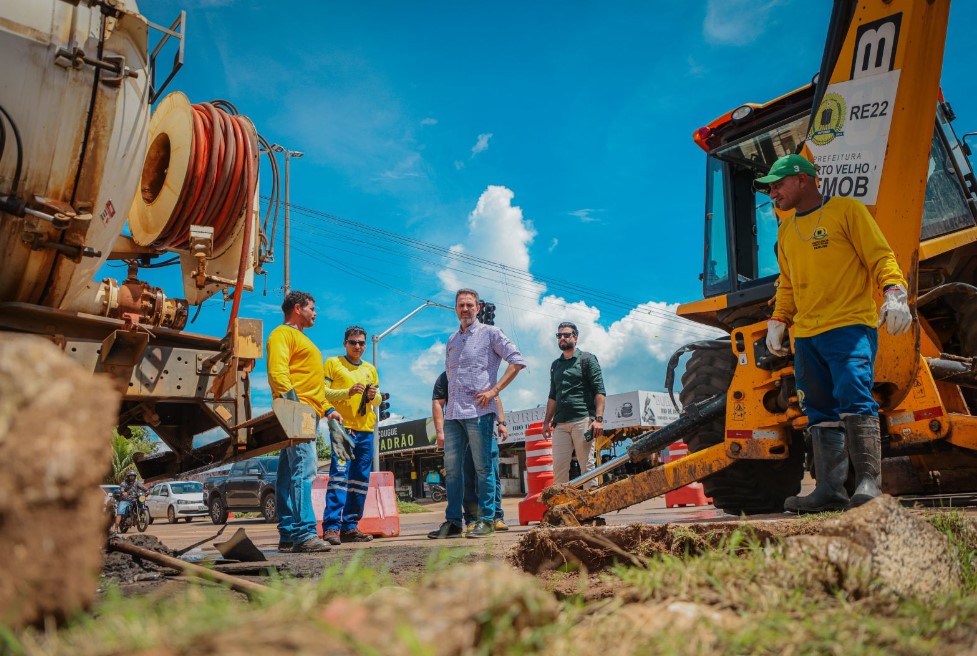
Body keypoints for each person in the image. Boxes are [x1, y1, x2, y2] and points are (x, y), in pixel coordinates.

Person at [758, 153, 912, 513]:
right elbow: (788, 283)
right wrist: (779, 319)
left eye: (778, 184)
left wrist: (893, 291)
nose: (773, 192)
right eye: (770, 187)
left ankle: (868, 483)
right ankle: (829, 489)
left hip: (849, 326)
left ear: (803, 179)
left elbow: (880, 256)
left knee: (855, 398)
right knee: (819, 411)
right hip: (809, 336)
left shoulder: (846, 211)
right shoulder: (786, 230)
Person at [428, 289, 525, 539]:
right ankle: (453, 522)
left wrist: (494, 390)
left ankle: (487, 519)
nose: (465, 309)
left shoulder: (491, 333)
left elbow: (517, 361)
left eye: (470, 305)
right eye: (461, 305)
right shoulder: (451, 340)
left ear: (479, 307)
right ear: (455, 308)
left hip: (479, 413)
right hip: (453, 415)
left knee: (483, 469)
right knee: (454, 470)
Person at [266, 290, 335, 553]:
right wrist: (294, 405)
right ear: (297, 308)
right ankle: (305, 532)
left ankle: (288, 532)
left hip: (305, 409)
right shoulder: (282, 334)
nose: (315, 313)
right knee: (304, 470)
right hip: (297, 410)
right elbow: (278, 372)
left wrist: (328, 411)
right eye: (312, 308)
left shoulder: (301, 338)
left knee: (287, 472)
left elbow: (312, 384)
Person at [320, 326, 381, 545]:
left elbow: (378, 400)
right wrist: (348, 392)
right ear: (345, 343)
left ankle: (351, 526)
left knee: (360, 481)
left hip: (365, 430)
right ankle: (332, 528)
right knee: (339, 477)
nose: (357, 346)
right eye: (353, 342)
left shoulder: (370, 369)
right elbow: (323, 392)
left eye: (361, 343)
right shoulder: (333, 363)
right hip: (343, 429)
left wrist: (373, 396)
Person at [431, 371, 509, 532]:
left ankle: (496, 517)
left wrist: (501, 422)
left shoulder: (480, 372)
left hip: (485, 430)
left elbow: (495, 397)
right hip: (461, 432)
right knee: (466, 476)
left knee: (491, 472)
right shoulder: (445, 377)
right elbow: (438, 402)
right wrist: (440, 432)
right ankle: (472, 519)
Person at [543, 322, 607, 486]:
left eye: (566, 335)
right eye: (559, 336)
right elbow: (553, 396)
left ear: (575, 337)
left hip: (582, 421)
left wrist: (598, 419)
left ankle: (592, 510)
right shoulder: (555, 365)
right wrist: (546, 422)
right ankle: (562, 508)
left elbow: (599, 390)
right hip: (560, 424)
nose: (562, 338)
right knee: (559, 469)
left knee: (587, 467)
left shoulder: (587, 359)